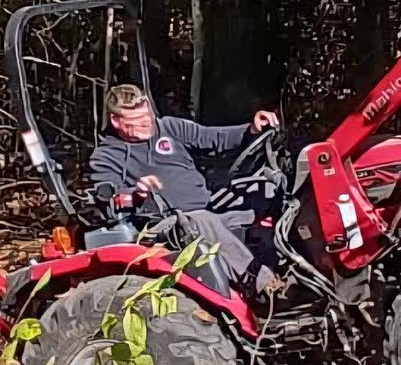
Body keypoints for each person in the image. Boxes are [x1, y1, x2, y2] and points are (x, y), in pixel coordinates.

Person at [87, 84, 282, 297]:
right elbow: (109, 200)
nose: (147, 122)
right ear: (116, 121)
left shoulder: (169, 128)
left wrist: (251, 129)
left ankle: (299, 274)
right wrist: (136, 194)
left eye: (148, 114)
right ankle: (265, 285)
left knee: (268, 191)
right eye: (138, 120)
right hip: (162, 224)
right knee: (199, 220)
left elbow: (214, 137)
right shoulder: (105, 157)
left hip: (209, 207)